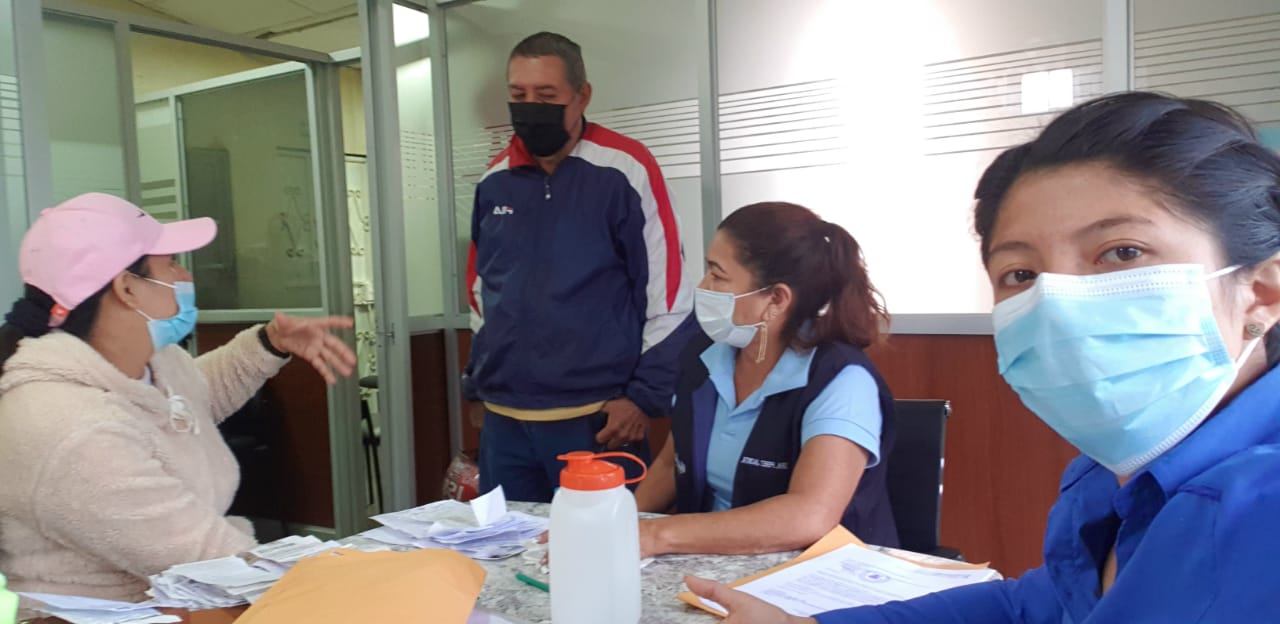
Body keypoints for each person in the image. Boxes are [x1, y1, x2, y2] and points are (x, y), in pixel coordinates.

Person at [685, 92, 1280, 622]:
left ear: (1263, 290)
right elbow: (1036, 607)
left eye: (1122, 252)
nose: (1058, 306)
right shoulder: (1108, 478)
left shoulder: (1257, 513)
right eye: (1020, 273)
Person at [0, 193, 357, 601]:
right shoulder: (69, 428)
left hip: (180, 599)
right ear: (127, 288)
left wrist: (268, 343)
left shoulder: (149, 363)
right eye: (170, 263)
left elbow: (184, 405)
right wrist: (348, 584)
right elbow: (208, 556)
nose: (184, 275)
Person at [464, 31, 693, 502]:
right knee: (508, 545)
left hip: (596, 421)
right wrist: (478, 387)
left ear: (582, 95)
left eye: (547, 96)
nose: (530, 107)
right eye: (518, 95)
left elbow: (668, 292)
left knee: (603, 543)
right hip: (506, 423)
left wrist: (642, 398)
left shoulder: (625, 170)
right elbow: (480, 293)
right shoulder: (494, 181)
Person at [633, 202, 898, 558]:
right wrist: (620, 526)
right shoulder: (704, 356)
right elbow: (671, 464)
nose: (703, 286)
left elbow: (810, 514)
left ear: (776, 298)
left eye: (717, 275)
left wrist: (656, 535)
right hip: (709, 562)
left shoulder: (842, 380)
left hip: (816, 576)